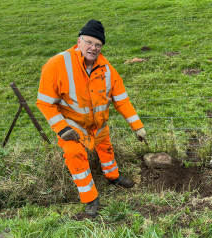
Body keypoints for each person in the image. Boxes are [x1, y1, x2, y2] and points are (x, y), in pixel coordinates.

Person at [36, 20, 148, 216]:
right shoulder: (57, 64)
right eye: (89, 42)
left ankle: (112, 176)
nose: (93, 48)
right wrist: (62, 129)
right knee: (75, 156)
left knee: (106, 149)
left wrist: (137, 126)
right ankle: (90, 198)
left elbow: (121, 100)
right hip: (72, 128)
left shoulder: (107, 69)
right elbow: (45, 103)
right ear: (79, 41)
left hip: (99, 126)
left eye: (98, 45)